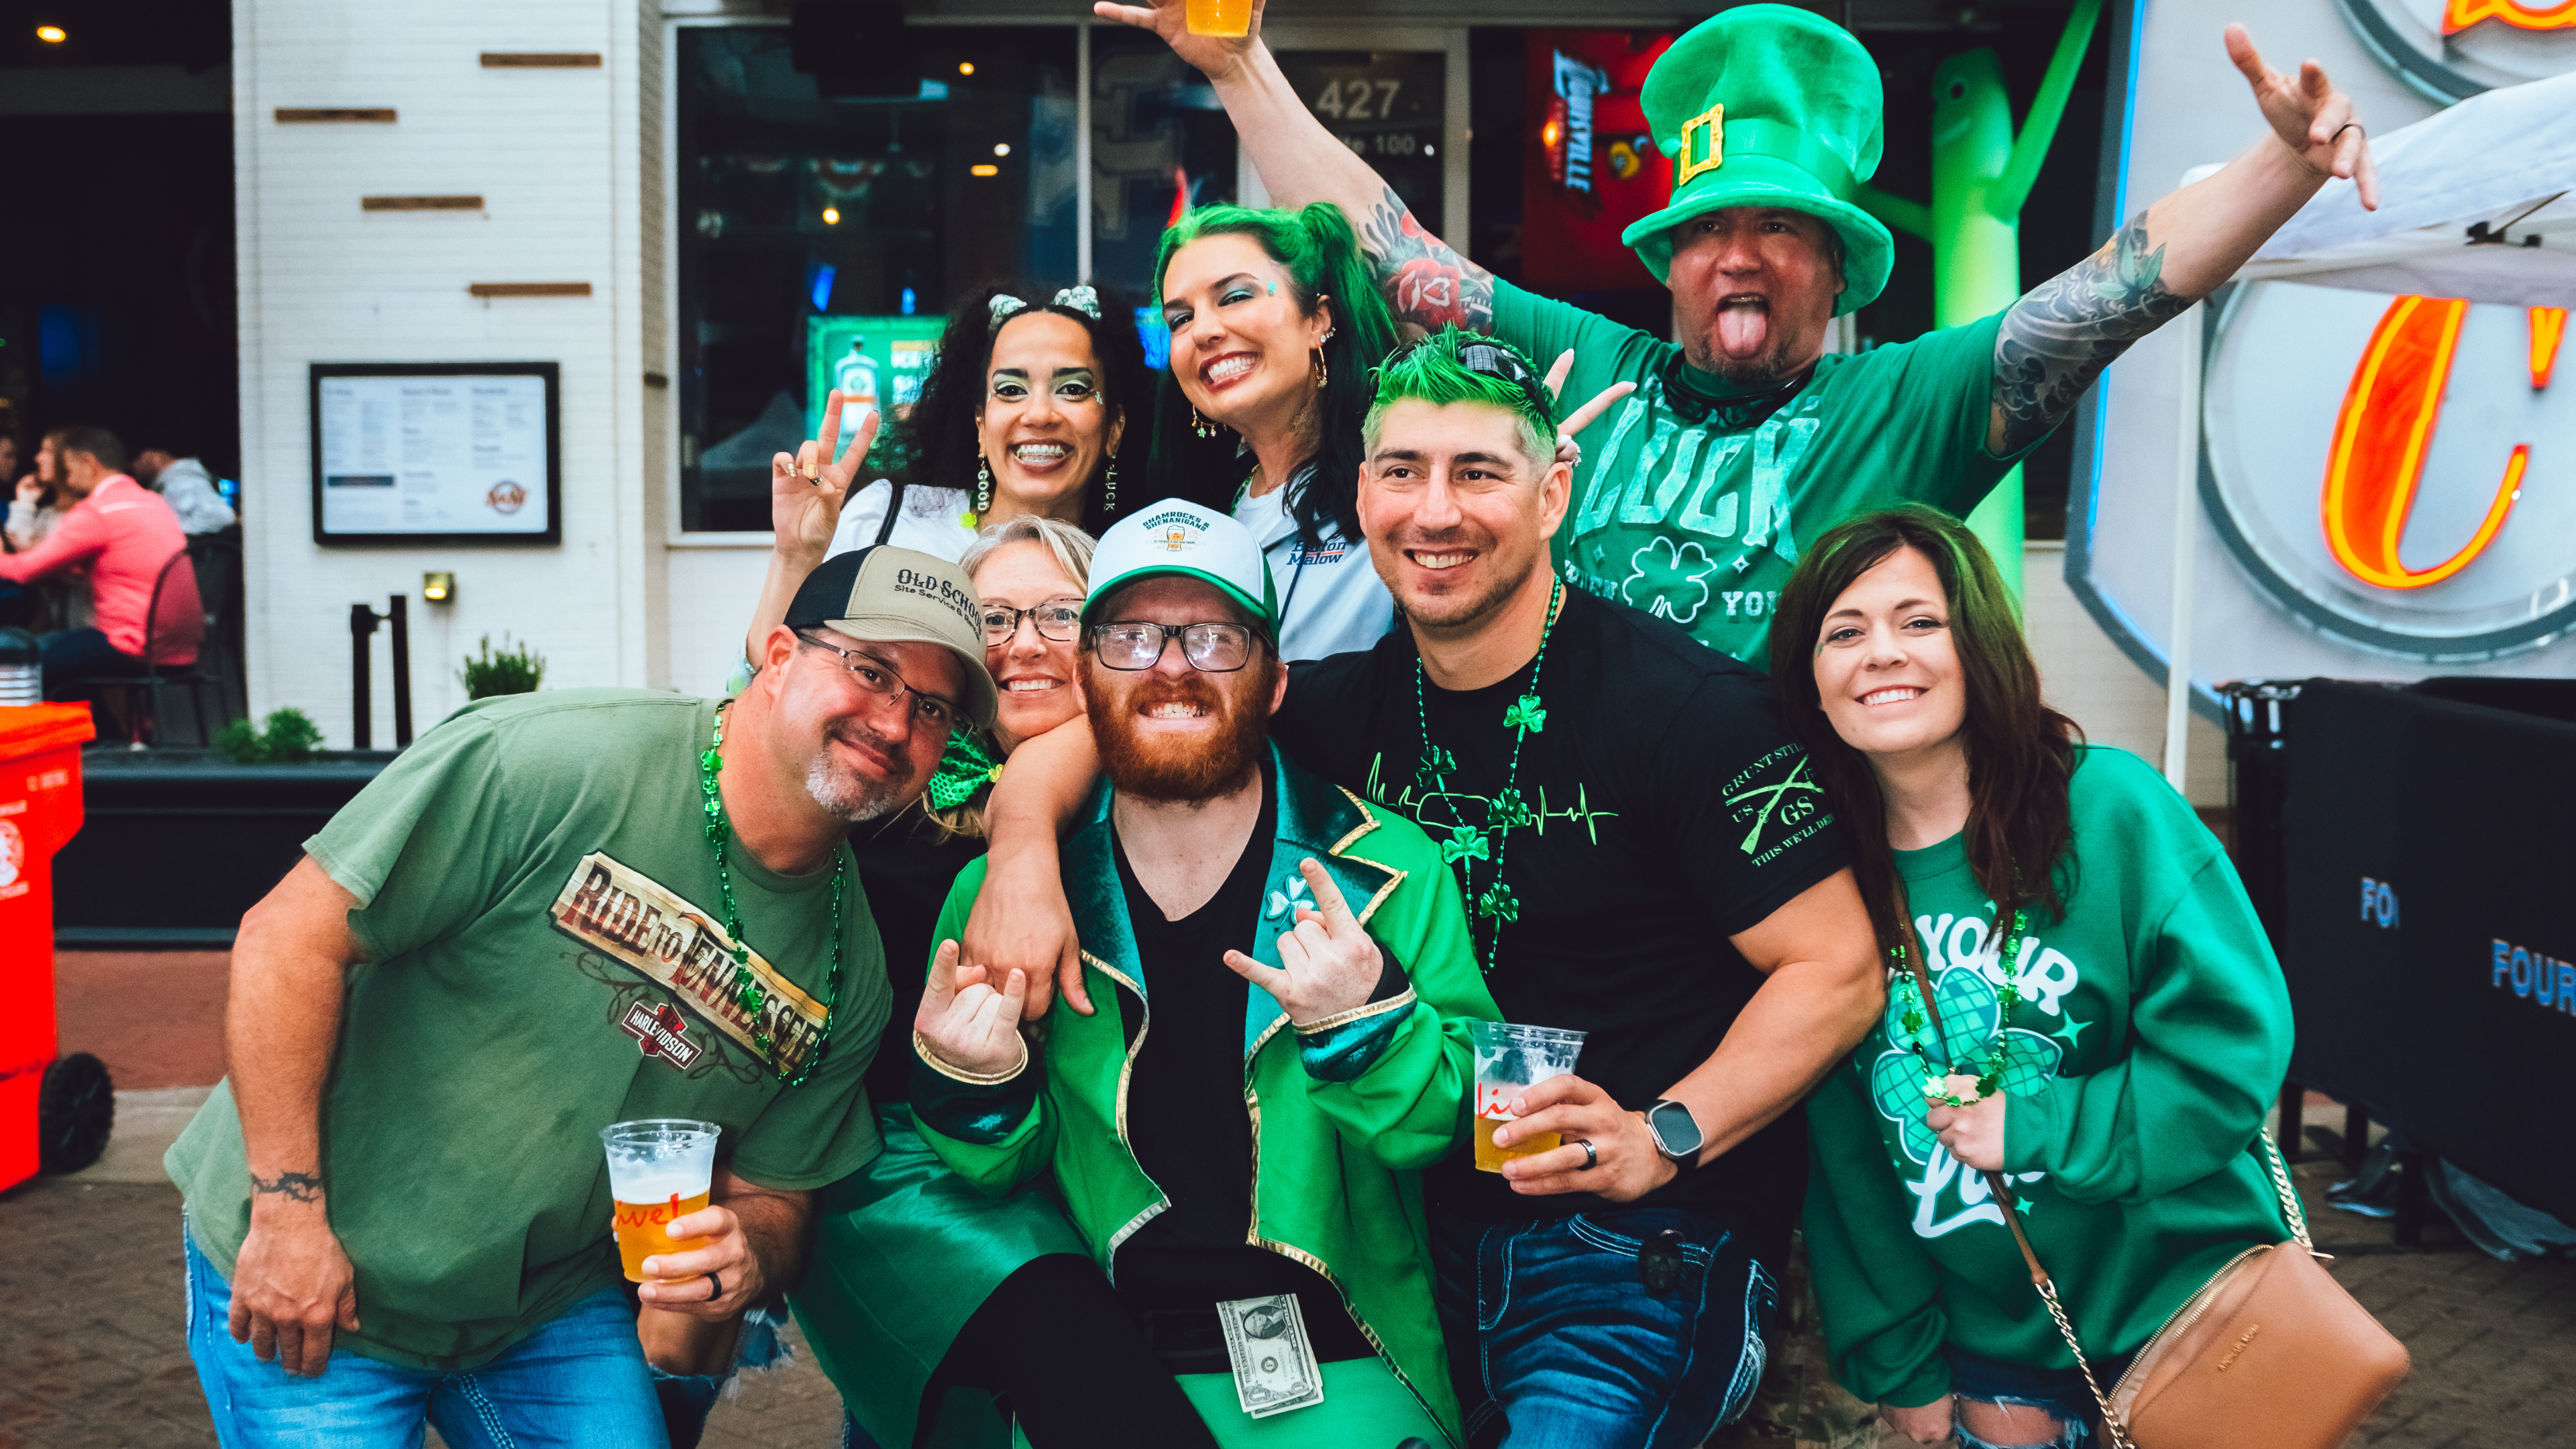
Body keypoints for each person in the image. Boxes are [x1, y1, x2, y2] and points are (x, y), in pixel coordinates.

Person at [967, 332, 1884, 1448]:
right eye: (1402, 471)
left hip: (1634, 1239)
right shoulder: (1337, 705)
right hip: (1429, 1218)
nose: (1434, 511)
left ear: (1552, 497)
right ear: (1361, 496)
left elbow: (1837, 970)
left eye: (1478, 473)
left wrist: (1665, 1134)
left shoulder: (1685, 711)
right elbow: (1126, 725)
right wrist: (1019, 845)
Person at [1098, 0, 2381, 665]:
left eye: (1781, 230)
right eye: (1707, 231)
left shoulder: (1904, 403)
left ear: (1835, 270)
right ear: (1667, 266)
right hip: (1557, 879)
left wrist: (2281, 167)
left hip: (1783, 901)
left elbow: (2110, 295)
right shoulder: (1591, 363)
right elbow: (1390, 244)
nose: (1739, 255)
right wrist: (1239, 73)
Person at [164, 543, 994, 1446]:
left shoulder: (851, 969)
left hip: (545, 1307)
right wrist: (287, 1215)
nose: (893, 722)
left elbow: (779, 1193)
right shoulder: (553, 761)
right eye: (871, 670)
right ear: (781, 656)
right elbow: (290, 939)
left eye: (932, 708)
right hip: (327, 1271)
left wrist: (746, 1252)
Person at [912, 500, 1499, 1445]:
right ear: (1084, 671)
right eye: (1133, 637)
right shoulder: (1006, 895)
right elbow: (996, 1170)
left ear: (1272, 681)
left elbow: (1460, 1132)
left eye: (1215, 637)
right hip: (1104, 1372)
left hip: (1349, 1356)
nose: (1173, 666)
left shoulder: (1389, 870)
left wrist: (1368, 1026)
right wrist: (977, 1083)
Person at [1771, 505, 2294, 1449]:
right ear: (1810, 683)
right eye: (1843, 632)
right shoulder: (1817, 885)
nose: (1882, 653)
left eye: (1919, 622)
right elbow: (1843, 1153)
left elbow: (2232, 1053)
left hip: (2194, 1313)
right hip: (1998, 1355)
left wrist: (2043, 1122)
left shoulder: (2111, 809)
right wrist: (1901, 1358)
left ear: (1979, 646)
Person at [788, 512, 1223, 1449]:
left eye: (1059, 615)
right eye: (993, 620)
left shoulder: (1161, 785)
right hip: (901, 1168)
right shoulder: (897, 769)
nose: (1022, 645)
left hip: (1069, 1163)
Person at [1147, 205, 1405, 661]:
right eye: (1180, 319)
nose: (1204, 330)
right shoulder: (1190, 515)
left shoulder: (1403, 489)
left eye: (1235, 297)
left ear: (1317, 320)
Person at [0, 424, 199, 697]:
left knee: (13, 655)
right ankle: (98, 733)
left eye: (68, 469)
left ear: (88, 463)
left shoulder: (99, 511)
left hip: (130, 646)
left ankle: (31, 737)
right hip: (179, 647)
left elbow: (24, 572)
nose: (67, 479)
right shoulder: (152, 501)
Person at [130, 441, 239, 534]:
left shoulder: (178, 480)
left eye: (136, 459)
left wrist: (166, 532)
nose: (133, 466)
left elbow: (221, 516)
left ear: (155, 455)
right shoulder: (178, 478)